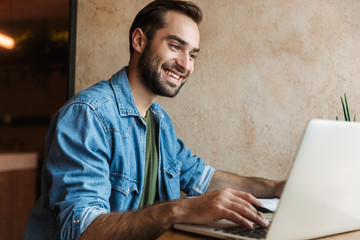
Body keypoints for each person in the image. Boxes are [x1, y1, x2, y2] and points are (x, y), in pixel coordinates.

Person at [25, 0, 284, 239]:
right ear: (139, 41)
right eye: (175, 46)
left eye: (192, 54)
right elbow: (82, 230)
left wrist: (277, 188)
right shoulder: (88, 115)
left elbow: (202, 177)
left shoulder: (160, 123)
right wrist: (178, 210)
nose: (185, 64)